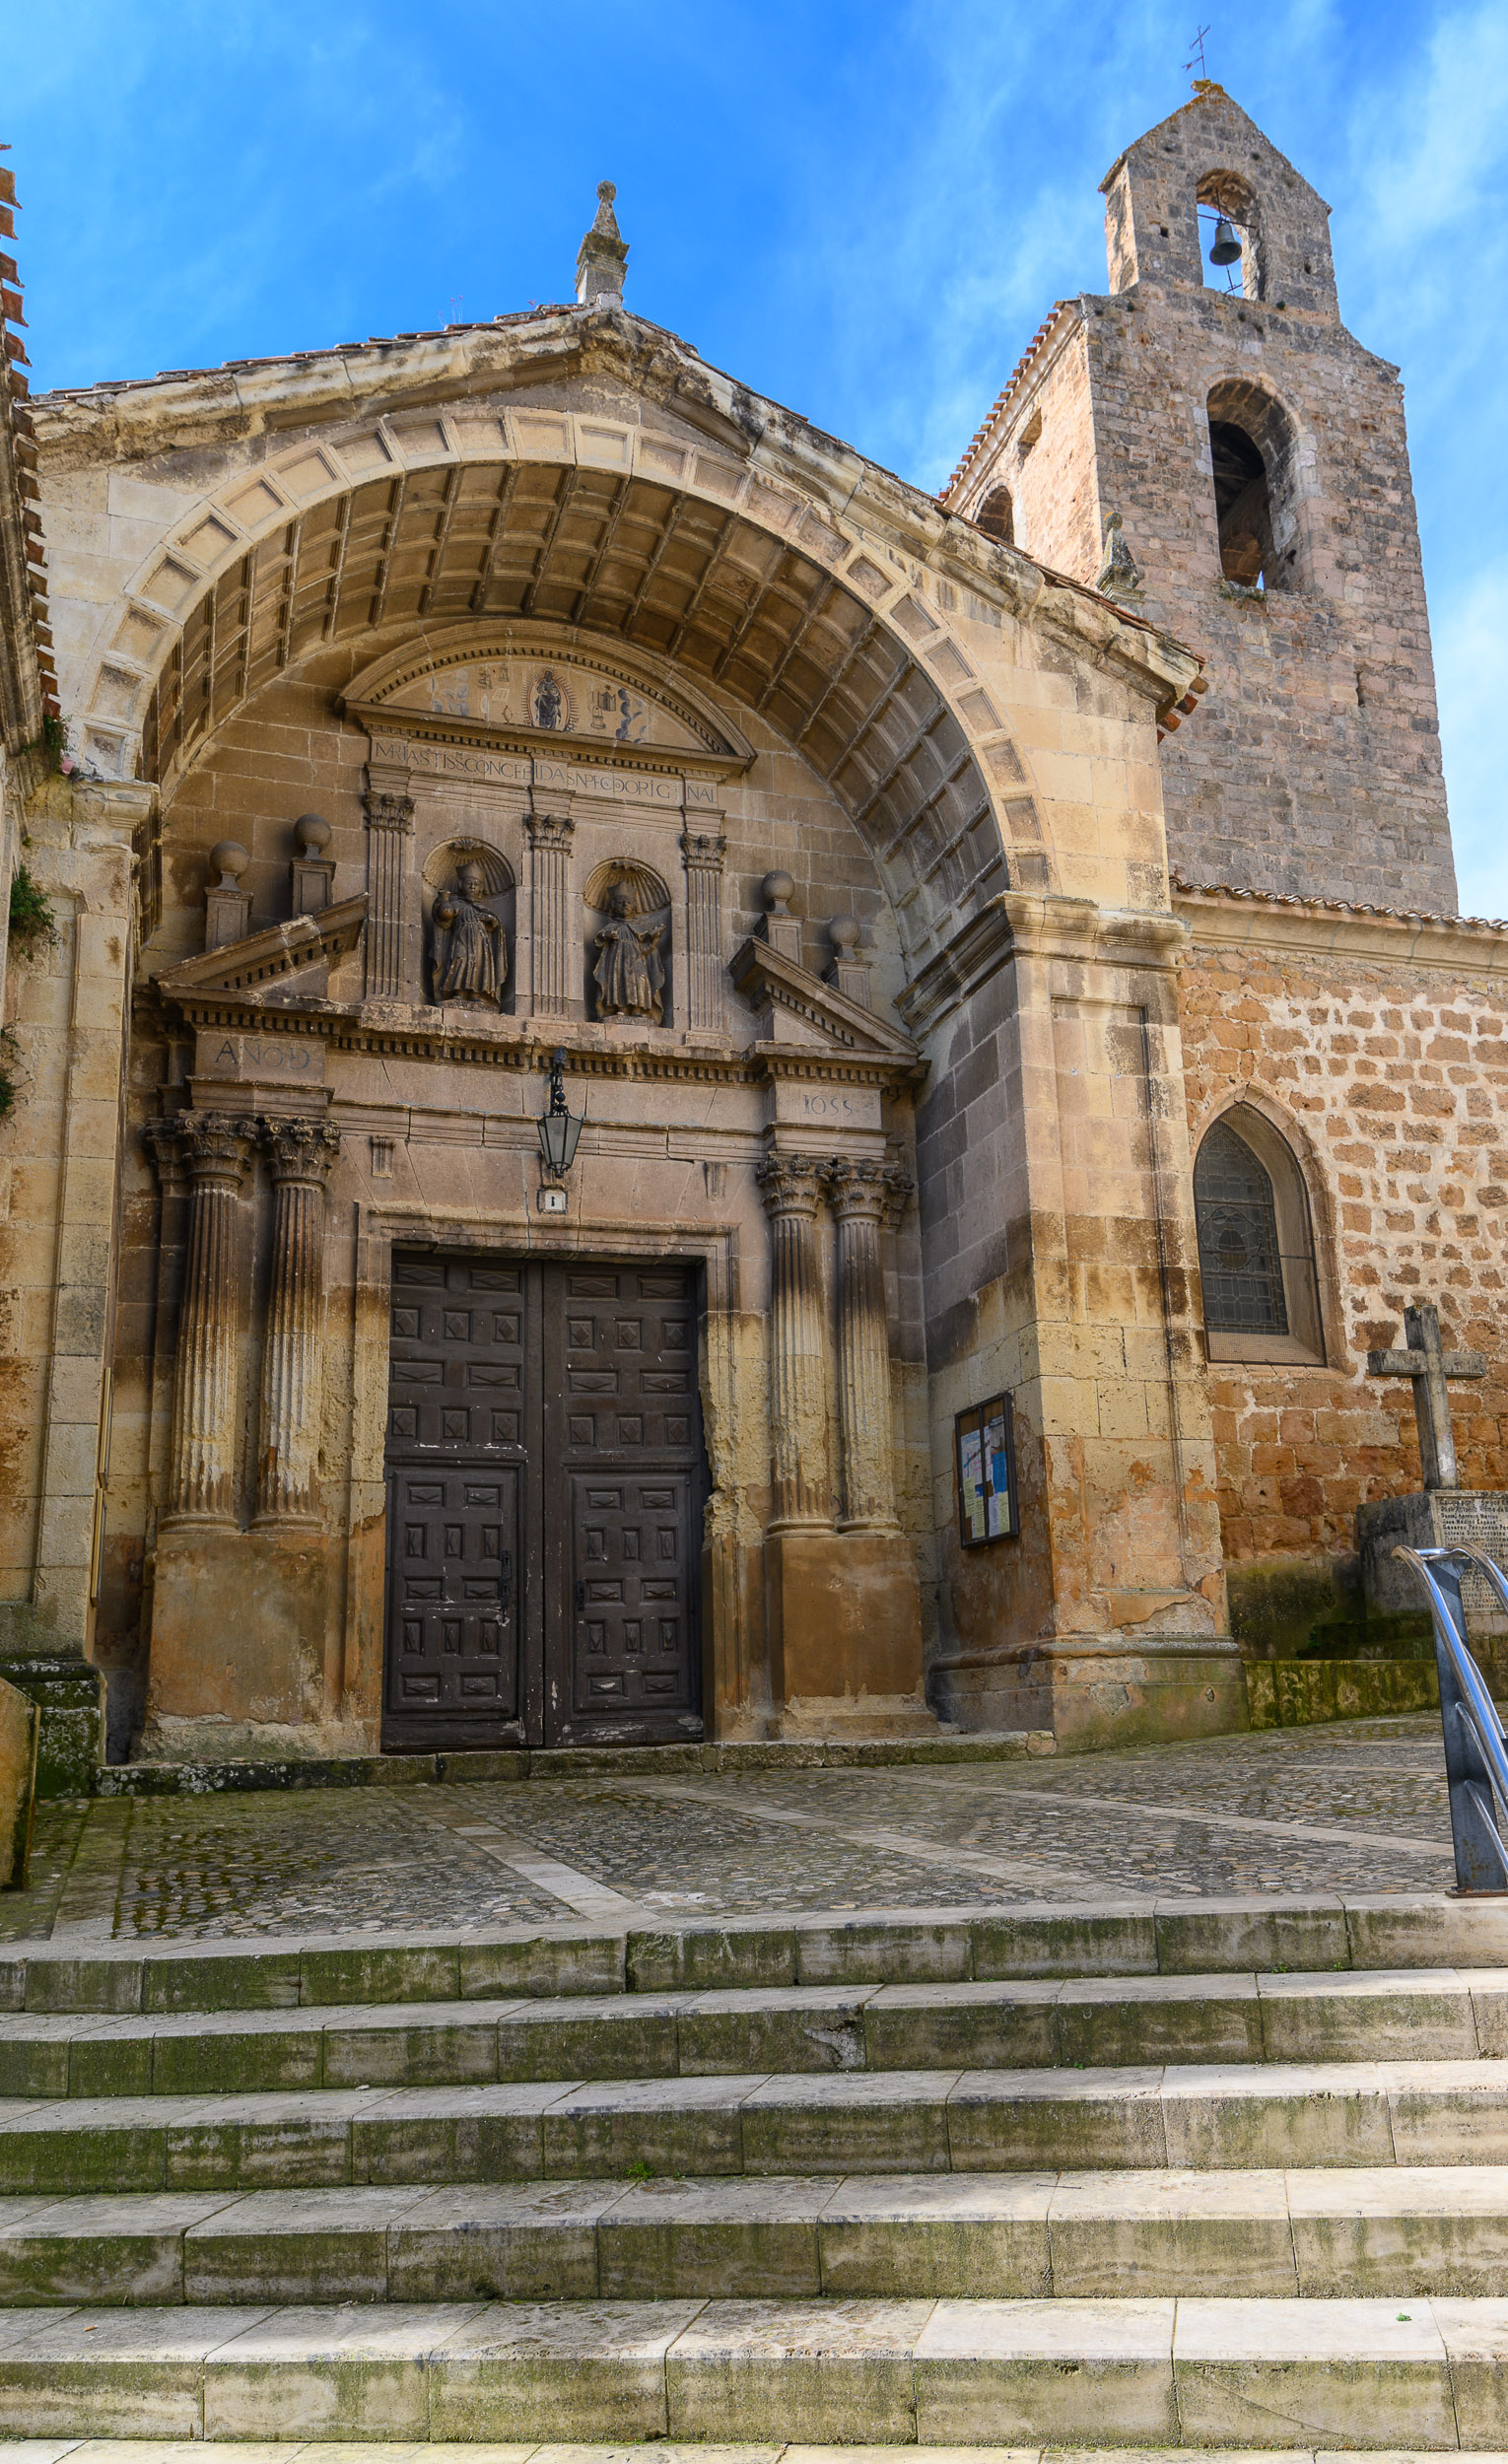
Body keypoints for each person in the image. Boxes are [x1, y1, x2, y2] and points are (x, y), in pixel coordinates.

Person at [433, 860, 506, 1006]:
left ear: (481, 888)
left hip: (480, 942)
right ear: (461, 885)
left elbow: (495, 926)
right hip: (461, 938)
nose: (472, 886)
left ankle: (476, 993)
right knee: (460, 959)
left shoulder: (482, 909)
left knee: (478, 964)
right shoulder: (456, 904)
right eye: (468, 883)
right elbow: (444, 918)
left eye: (476, 884)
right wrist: (442, 901)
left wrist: (492, 920)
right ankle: (458, 992)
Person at [593, 882, 663, 1022]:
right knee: (618, 980)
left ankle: (638, 1009)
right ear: (614, 906)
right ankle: (621, 1009)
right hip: (616, 960)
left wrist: (655, 939)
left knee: (639, 981)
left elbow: (646, 950)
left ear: (634, 906)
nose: (625, 904)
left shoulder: (639, 929)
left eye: (628, 902)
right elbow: (598, 941)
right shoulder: (611, 926)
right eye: (621, 902)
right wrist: (607, 935)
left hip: (637, 962)